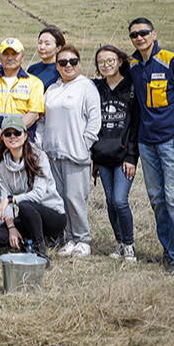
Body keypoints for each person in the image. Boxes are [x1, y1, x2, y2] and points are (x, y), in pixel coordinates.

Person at [127, 17, 174, 275]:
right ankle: (169, 251)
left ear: (154, 33)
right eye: (134, 35)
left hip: (172, 141)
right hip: (146, 142)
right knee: (158, 199)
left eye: (143, 33)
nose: (139, 38)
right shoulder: (134, 66)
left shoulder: (172, 61)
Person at [37, 45, 101, 258]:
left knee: (75, 199)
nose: (68, 66)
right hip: (53, 154)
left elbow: (94, 121)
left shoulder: (86, 87)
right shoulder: (53, 89)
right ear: (57, 66)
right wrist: (41, 144)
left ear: (79, 63)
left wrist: (85, 144)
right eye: (63, 63)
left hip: (76, 154)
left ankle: (83, 239)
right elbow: (42, 120)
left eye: (72, 61)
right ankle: (70, 238)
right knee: (61, 199)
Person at [0, 115, 66, 267]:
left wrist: (12, 199)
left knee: (26, 206)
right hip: (28, 217)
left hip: (53, 215)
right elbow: (4, 199)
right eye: (7, 134)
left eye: (17, 133)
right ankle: (26, 242)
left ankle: (41, 253)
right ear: (3, 138)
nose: (12, 137)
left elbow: (38, 194)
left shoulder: (39, 156)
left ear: (25, 135)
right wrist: (11, 227)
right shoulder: (2, 164)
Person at [91, 45, 139, 262]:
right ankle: (119, 242)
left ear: (120, 61)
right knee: (110, 201)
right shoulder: (95, 88)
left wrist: (131, 157)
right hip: (102, 154)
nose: (106, 65)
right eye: (101, 62)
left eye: (110, 60)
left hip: (123, 155)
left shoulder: (132, 87)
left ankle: (129, 244)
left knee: (120, 200)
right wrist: (92, 157)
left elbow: (135, 125)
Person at [0, 38, 45, 160]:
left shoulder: (34, 83)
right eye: (6, 54)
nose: (10, 58)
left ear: (22, 57)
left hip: (23, 141)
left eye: (14, 54)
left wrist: (13, 133)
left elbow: (34, 113)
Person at [28, 25, 66, 91]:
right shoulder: (32, 70)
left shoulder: (63, 70)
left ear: (58, 48)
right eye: (40, 43)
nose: (42, 47)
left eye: (47, 44)